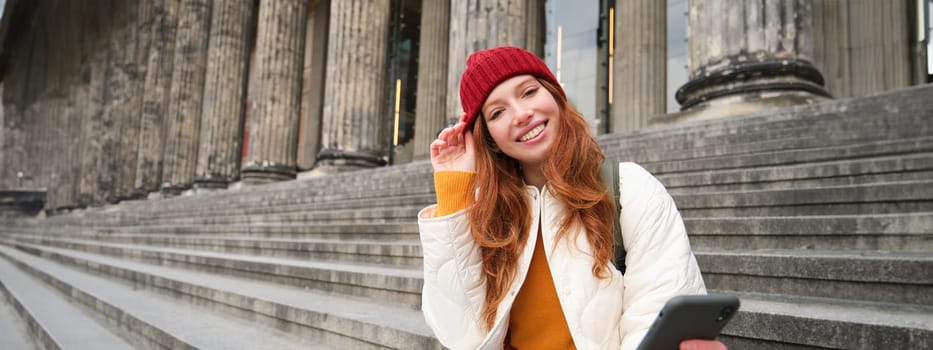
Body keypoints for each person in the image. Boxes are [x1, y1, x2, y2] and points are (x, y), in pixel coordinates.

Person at [418, 46, 724, 350]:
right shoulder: (488, 212)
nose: (522, 114)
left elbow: (658, 316)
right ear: (489, 139)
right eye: (498, 112)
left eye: (528, 92)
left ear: (555, 94)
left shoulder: (630, 188)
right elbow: (459, 335)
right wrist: (454, 193)